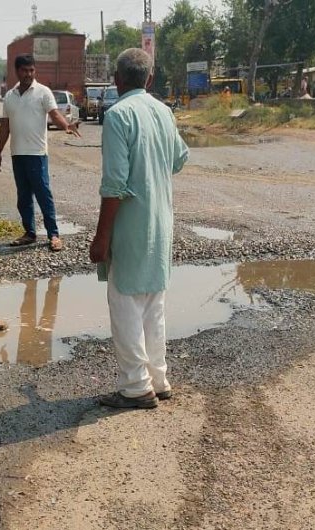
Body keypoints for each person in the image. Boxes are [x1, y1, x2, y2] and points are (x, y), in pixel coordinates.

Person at [89, 48, 189, 409]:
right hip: (160, 222)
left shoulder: (118, 116)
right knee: (153, 305)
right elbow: (179, 159)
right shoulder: (164, 112)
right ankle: (158, 379)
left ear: (116, 79)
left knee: (126, 304)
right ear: (149, 79)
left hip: (130, 225)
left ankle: (135, 387)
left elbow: (114, 184)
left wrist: (101, 238)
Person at [0, 54, 81, 252]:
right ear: (17, 71)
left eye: (31, 70)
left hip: (37, 154)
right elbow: (5, 127)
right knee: (23, 197)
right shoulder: (10, 96)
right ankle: (29, 233)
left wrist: (67, 126)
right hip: (17, 154)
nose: (28, 74)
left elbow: (55, 115)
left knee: (43, 195)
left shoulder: (43, 92)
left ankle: (54, 235)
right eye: (25, 70)